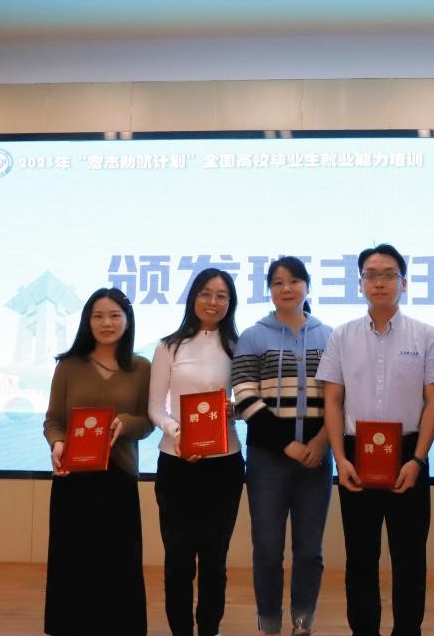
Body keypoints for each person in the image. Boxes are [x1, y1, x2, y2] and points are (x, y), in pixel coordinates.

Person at [317, 243, 434, 636]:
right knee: (360, 556)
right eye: (371, 275)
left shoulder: (426, 336)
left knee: (410, 556)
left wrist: (418, 459)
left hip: (407, 454)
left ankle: (408, 629)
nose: (380, 282)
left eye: (389, 274)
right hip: (356, 454)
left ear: (403, 283)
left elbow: (433, 402)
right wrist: (340, 459)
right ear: (360, 284)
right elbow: (332, 400)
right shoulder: (342, 336)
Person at [231, 257, 333, 636]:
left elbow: (339, 398)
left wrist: (321, 442)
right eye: (277, 282)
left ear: (307, 286)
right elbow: (245, 397)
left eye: (294, 281)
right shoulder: (253, 336)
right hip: (267, 460)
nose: (286, 288)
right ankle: (269, 623)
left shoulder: (330, 336)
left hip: (317, 458)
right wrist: (287, 444)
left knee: (309, 550)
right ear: (270, 290)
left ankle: (303, 621)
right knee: (267, 549)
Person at [42, 287, 153, 636]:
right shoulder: (68, 366)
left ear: (127, 320)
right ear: (87, 321)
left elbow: (148, 422)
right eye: (98, 316)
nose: (107, 323)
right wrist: (57, 443)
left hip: (119, 477)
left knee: (117, 561)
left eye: (115, 315)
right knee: (73, 558)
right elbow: (53, 420)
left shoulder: (141, 368)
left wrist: (126, 423)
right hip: (74, 476)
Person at [148, 268, 244, 636]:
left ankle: (209, 630)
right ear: (193, 298)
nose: (213, 302)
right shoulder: (168, 346)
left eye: (222, 296)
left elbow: (248, 401)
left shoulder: (239, 346)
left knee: (215, 560)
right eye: (206, 293)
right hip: (177, 464)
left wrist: (236, 408)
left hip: (225, 465)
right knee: (178, 560)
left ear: (230, 302)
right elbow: (155, 407)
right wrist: (178, 434)